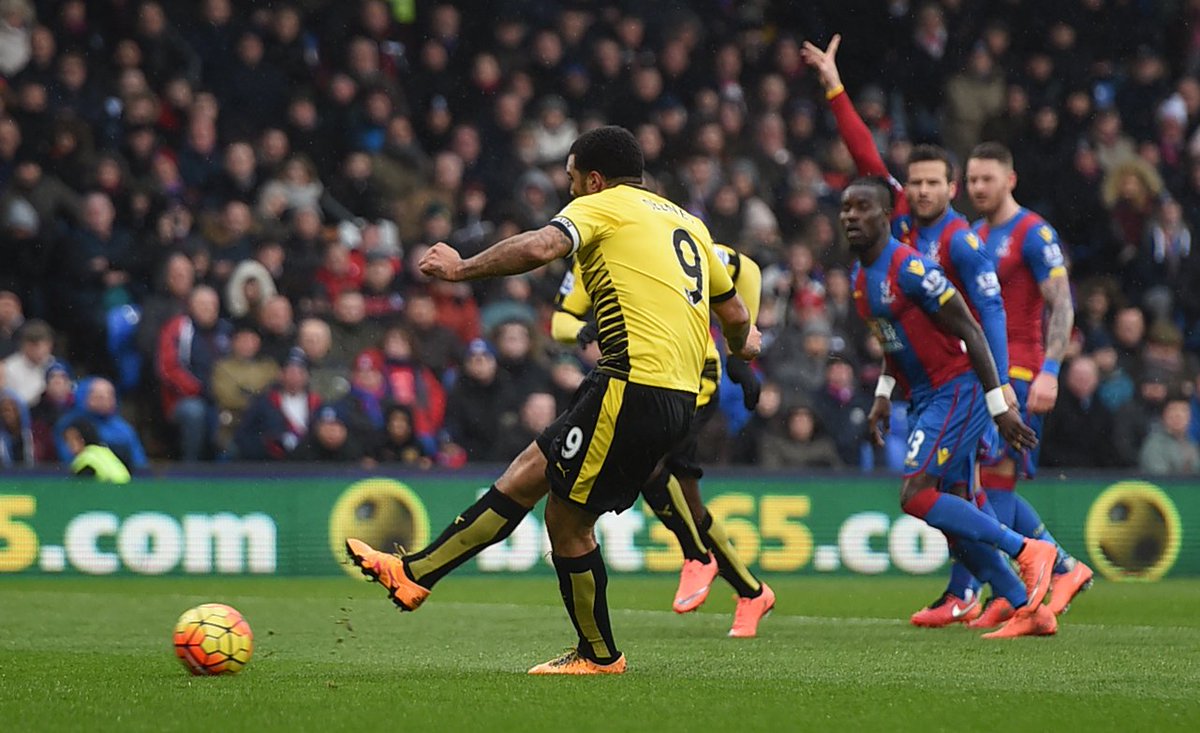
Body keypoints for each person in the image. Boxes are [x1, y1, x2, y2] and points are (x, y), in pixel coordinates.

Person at [345, 126, 760, 674]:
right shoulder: (687, 222)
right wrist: (741, 353)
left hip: (630, 385)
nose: (568, 192)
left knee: (567, 523)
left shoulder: (602, 205)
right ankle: (416, 575)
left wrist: (461, 269)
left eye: (569, 180)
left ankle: (599, 655)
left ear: (593, 178)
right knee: (528, 471)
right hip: (668, 395)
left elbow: (542, 246)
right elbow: (735, 318)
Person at [804, 36, 1017, 627]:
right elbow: (863, 151)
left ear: (949, 188)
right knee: (950, 493)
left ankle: (1036, 565)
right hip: (928, 379)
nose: (919, 192)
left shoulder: (958, 242)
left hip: (969, 377)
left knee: (952, 491)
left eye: (932, 184)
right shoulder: (893, 224)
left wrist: (1002, 391)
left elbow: (985, 319)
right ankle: (993, 592)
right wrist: (833, 85)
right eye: (914, 184)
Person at [845, 177, 1056, 639]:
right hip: (923, 396)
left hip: (956, 390)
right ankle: (1028, 608)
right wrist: (884, 392)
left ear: (886, 217)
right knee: (953, 510)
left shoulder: (912, 269)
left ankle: (1026, 549)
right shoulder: (861, 277)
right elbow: (893, 341)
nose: (850, 217)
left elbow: (973, 330)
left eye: (862, 208)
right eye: (845, 209)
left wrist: (997, 402)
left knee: (917, 495)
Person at [551, 241, 774, 637]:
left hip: (692, 373)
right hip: (639, 376)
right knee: (688, 502)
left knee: (646, 461)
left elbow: (749, 271)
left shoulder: (663, 238)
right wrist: (583, 329)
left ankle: (696, 557)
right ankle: (751, 592)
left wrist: (738, 349)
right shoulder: (589, 256)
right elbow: (560, 322)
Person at [967, 141, 1094, 624]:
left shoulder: (1033, 232)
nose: (979, 187)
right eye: (973, 179)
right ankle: (1016, 582)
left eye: (988, 179)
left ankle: (1057, 567)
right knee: (977, 484)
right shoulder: (975, 234)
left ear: (1010, 179)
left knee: (993, 483)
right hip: (985, 375)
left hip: (1020, 373)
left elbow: (1062, 302)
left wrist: (1051, 370)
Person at [62, 418, 131, 484]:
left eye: (75, 438)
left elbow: (80, 490)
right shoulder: (106, 452)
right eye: (67, 439)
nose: (70, 444)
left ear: (85, 437)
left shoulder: (84, 460)